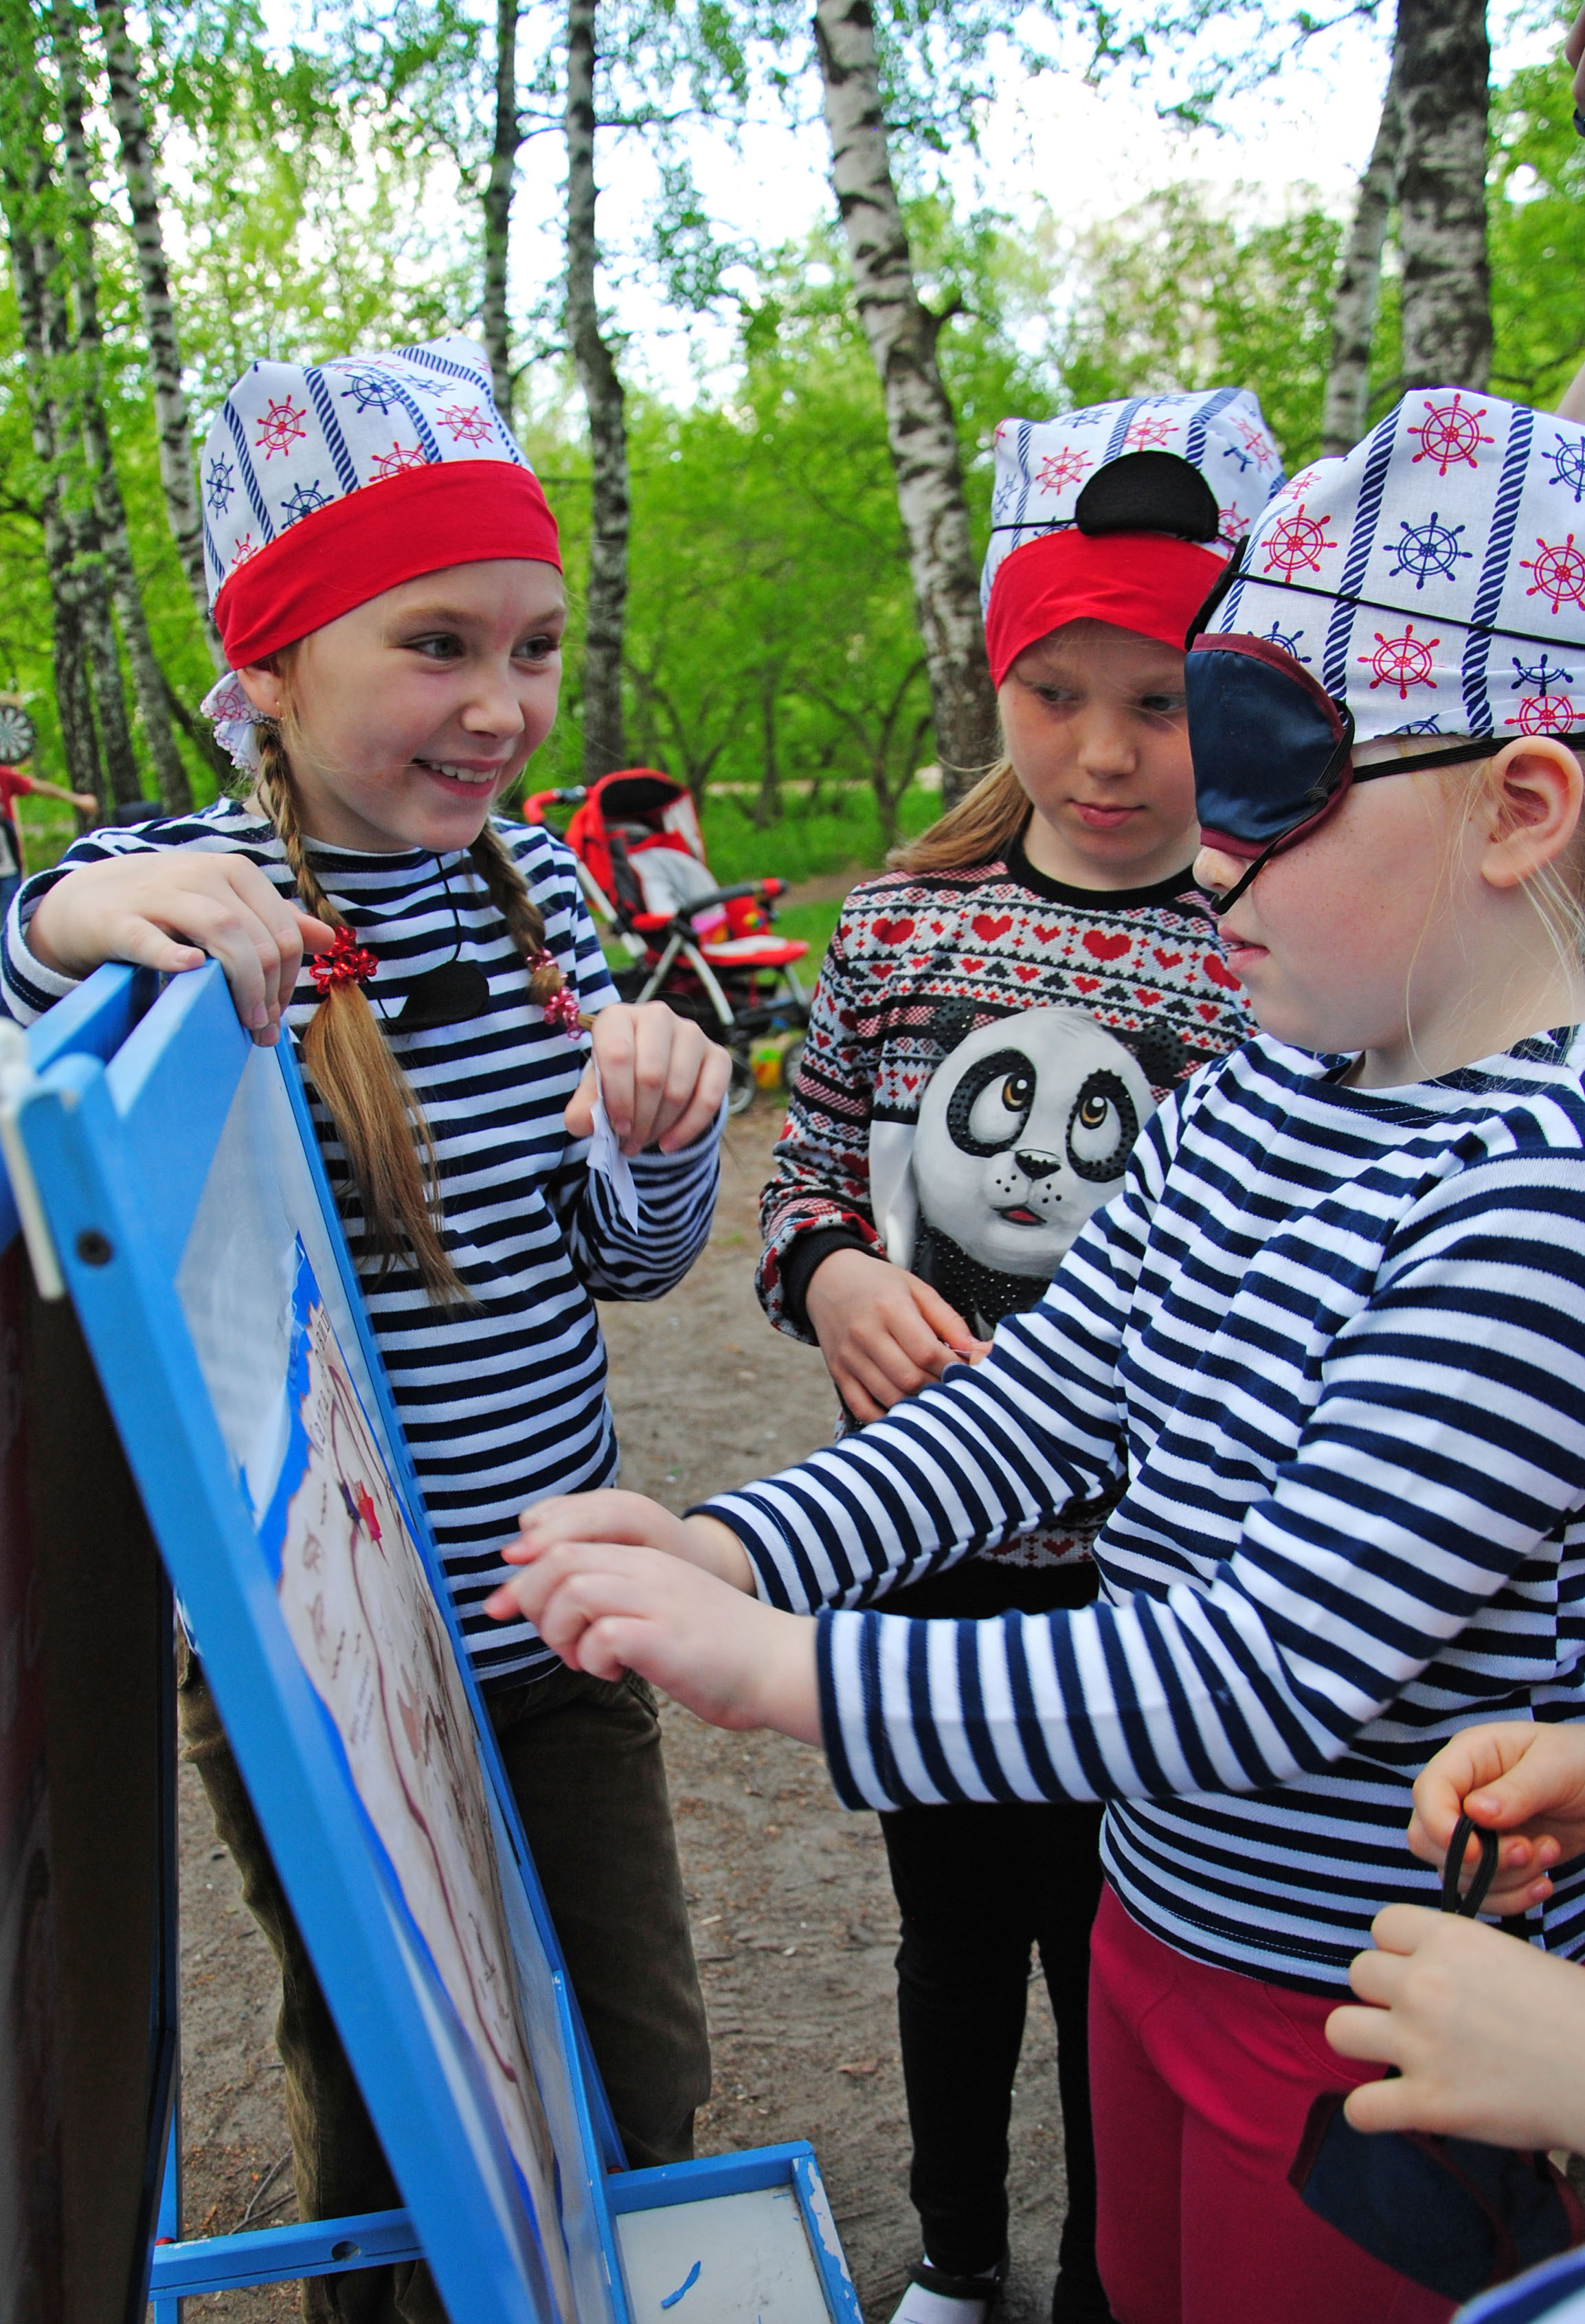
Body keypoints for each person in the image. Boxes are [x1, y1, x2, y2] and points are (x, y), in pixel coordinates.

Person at [490, 386, 1585, 2324]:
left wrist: (783, 1667)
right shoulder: (1277, 1074)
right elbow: (1043, 1393)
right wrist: (747, 1545)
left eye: (1272, 780)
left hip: (1369, 2022)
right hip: (1162, 1921)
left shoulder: (1529, 1199)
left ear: (1514, 807)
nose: (1209, 856)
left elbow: (1260, 1663)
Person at [0, 336, 729, 2324]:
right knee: (408, 2125)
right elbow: (32, 983)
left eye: (535, 644)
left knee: (628, 2081)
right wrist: (71, 922)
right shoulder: (197, 894)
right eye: (436, 644)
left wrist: (662, 1126)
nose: (499, 705)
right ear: (272, 662)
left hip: (559, 1625)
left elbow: (622, 1255)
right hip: (325, 1672)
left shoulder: (545, 913)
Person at [756, 390, 1277, 2324]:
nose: (1106, 749)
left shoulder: (1261, 947)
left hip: (1161, 1584)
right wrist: (823, 1280)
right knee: (952, 1928)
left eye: (1160, 698)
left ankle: (1108, 2274)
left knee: (1120, 1939)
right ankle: (960, 2252)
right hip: (929, 1554)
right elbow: (805, 1166)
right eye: (1057, 691)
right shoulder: (898, 921)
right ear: (999, 684)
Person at [0, 763, 96, 919]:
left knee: (10, 921)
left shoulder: (4, 776)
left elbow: (39, 788)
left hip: (7, 869)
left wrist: (77, 800)